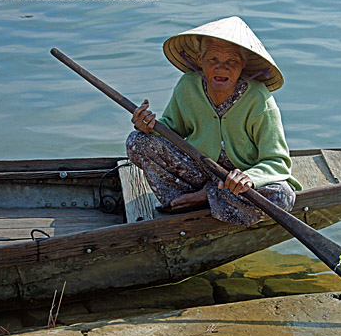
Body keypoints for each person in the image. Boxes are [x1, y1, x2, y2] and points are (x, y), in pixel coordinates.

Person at [126, 16, 301, 227]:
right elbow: (172, 129)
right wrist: (147, 125)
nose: (221, 68)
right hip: (200, 170)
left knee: (282, 196)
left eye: (231, 62)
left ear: (242, 64)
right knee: (138, 141)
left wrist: (249, 178)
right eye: (213, 60)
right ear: (200, 60)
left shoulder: (260, 100)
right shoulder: (188, 85)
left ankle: (202, 199)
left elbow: (277, 162)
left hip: (238, 184)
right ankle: (189, 199)